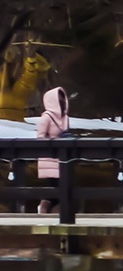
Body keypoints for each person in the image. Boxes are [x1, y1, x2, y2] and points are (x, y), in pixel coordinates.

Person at [36, 86, 73, 215]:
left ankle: (56, 210)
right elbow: (40, 136)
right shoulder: (46, 117)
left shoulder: (66, 118)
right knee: (55, 184)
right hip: (49, 157)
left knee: (63, 184)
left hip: (63, 157)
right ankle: (44, 206)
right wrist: (53, 143)